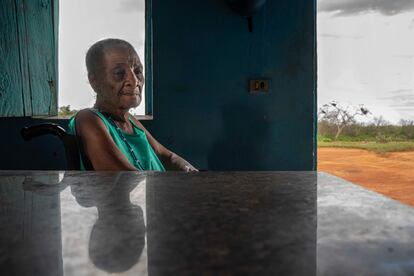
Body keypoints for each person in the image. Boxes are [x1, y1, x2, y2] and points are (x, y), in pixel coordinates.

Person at [68, 38, 197, 172]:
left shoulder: (130, 120)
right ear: (94, 81)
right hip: (145, 192)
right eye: (119, 73)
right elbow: (124, 178)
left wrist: (195, 176)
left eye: (137, 71)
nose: (134, 81)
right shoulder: (88, 119)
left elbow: (169, 157)